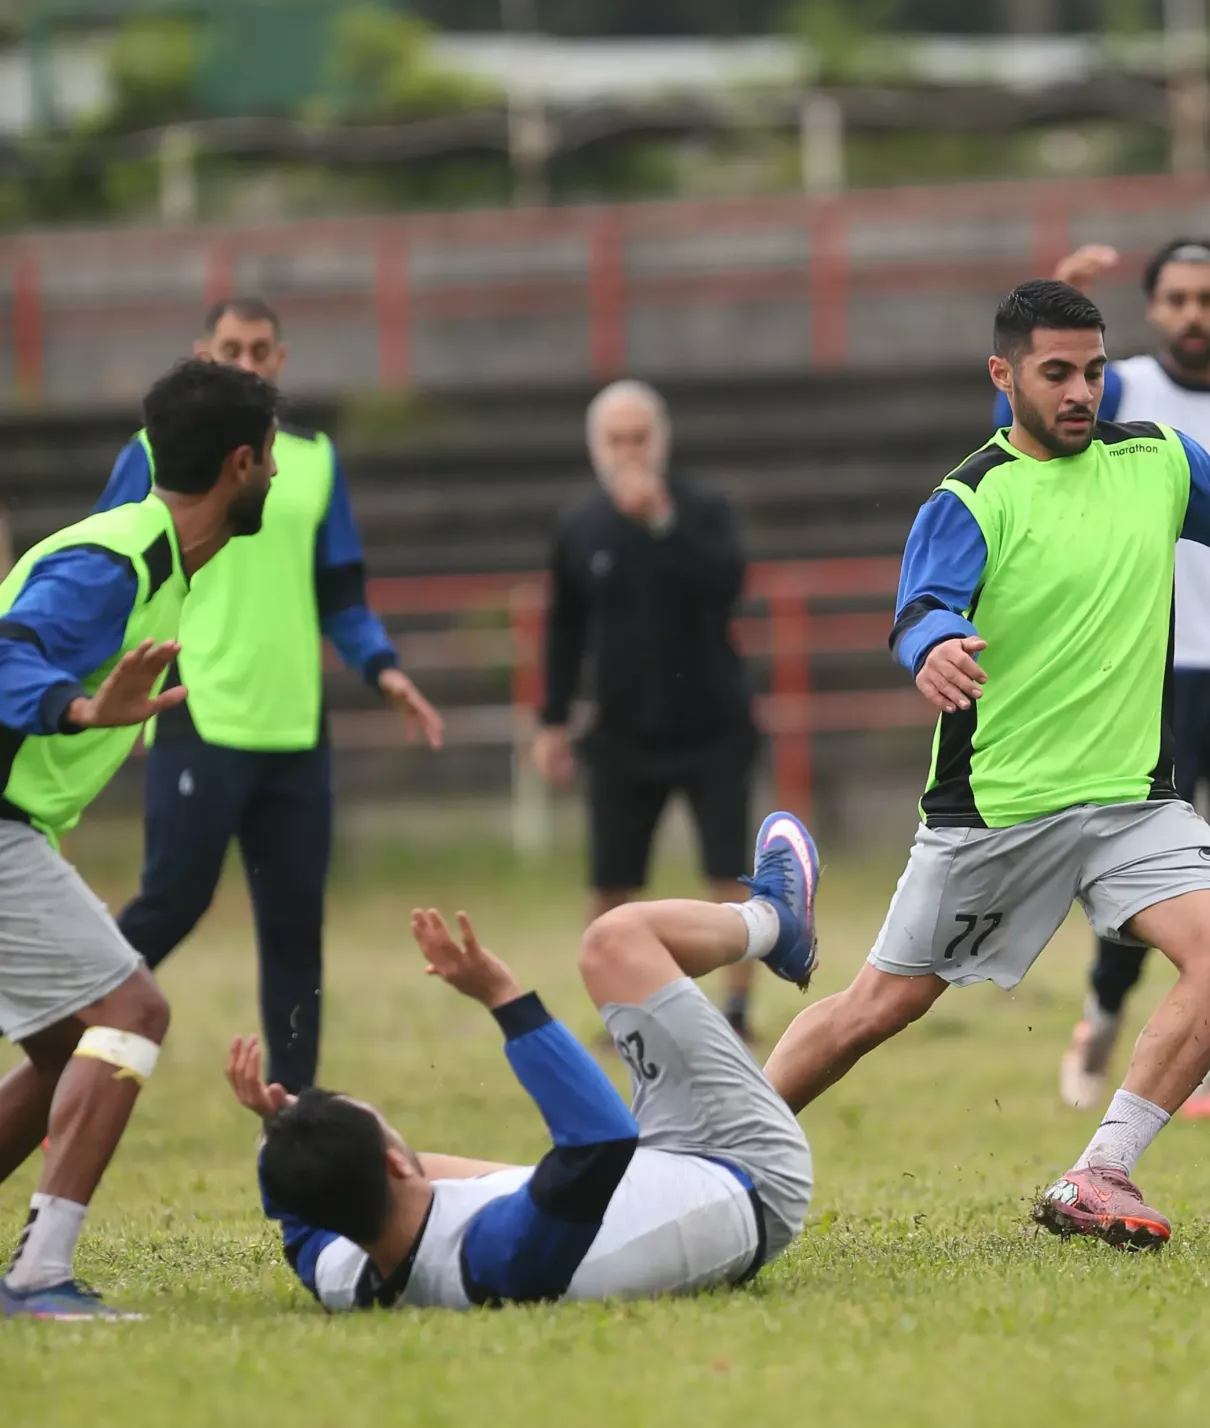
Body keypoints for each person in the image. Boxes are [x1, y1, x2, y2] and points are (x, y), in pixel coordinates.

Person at [761, 280, 1210, 1251]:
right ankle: (720, 1151)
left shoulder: (1158, 460)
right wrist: (934, 649)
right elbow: (920, 609)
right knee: (881, 1006)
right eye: (1056, 374)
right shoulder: (970, 495)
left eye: (1092, 371)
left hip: (1129, 802)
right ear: (1003, 376)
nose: (1081, 392)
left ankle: (1099, 1171)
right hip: (998, 808)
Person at [992, 238, 1210, 1119]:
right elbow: (1012, 440)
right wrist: (1054, 304)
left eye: (1208, 298)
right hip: (1149, 674)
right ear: (1153, 308)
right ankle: (1102, 1010)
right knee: (1139, 878)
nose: (1192, 314)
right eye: (1176, 298)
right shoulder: (1119, 390)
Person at [229, 811, 818, 1311]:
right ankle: (774, 923)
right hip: (748, 1173)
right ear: (395, 1164)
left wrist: (279, 1131)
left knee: (356, 1169)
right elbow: (600, 1140)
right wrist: (503, 999)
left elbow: (297, 1210)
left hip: (657, 1170)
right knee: (614, 941)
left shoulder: (343, 1273)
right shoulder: (499, 1255)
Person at [97, 296, 443, 1095]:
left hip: (294, 730)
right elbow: (107, 562)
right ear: (203, 354)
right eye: (231, 349)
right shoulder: (155, 453)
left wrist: (382, 667)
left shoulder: (311, 461)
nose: (246, 364)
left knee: (295, 932)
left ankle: (296, 1115)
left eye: (260, 350)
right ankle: (64, 1039)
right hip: (198, 713)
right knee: (170, 906)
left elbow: (342, 593)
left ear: (280, 361)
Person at [0, 358, 279, 1319]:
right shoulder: (118, 558)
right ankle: (40, 1277)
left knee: (61, 1052)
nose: (279, 475)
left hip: (16, 826)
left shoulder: (157, 554)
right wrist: (80, 708)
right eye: (272, 457)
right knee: (134, 1010)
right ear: (241, 463)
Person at [535, 380, 764, 1041]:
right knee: (610, 878)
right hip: (621, 730)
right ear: (595, 448)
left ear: (661, 442)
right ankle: (620, 1011)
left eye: (639, 439)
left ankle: (738, 1010)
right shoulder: (579, 526)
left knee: (729, 872)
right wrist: (552, 719)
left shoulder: (704, 510)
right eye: (616, 440)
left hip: (712, 723)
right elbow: (563, 630)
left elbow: (727, 585)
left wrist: (661, 524)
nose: (629, 453)